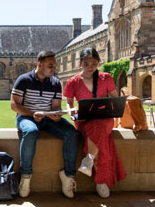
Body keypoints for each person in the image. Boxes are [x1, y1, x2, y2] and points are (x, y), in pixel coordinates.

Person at [10, 50, 79, 198]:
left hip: (47, 119)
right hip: (26, 117)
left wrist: (56, 114)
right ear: (39, 65)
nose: (54, 69)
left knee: (72, 133)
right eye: (51, 66)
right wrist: (32, 114)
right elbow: (14, 105)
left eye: (55, 66)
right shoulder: (23, 80)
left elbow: (55, 106)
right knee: (31, 131)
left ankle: (68, 176)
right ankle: (26, 177)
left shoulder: (55, 83)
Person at [64, 47, 126, 198]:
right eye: (87, 63)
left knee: (98, 125)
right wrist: (73, 114)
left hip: (105, 119)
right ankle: (101, 181)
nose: (90, 67)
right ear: (80, 63)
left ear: (98, 62)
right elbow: (69, 104)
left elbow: (114, 99)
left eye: (94, 63)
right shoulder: (73, 82)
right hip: (84, 120)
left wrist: (113, 108)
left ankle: (89, 160)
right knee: (97, 132)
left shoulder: (106, 78)